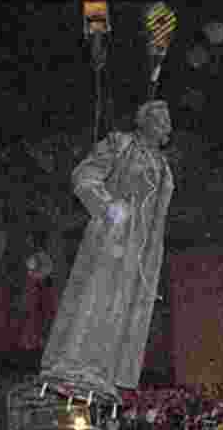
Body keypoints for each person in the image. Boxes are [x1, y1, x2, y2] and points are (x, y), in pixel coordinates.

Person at [39, 100, 175, 404]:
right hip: (112, 234)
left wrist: (151, 254)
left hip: (142, 250)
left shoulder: (164, 168)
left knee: (122, 307)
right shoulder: (120, 143)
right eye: (159, 118)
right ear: (143, 120)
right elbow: (84, 175)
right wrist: (107, 207)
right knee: (95, 296)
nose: (166, 125)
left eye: (168, 120)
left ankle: (103, 369)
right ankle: (73, 363)